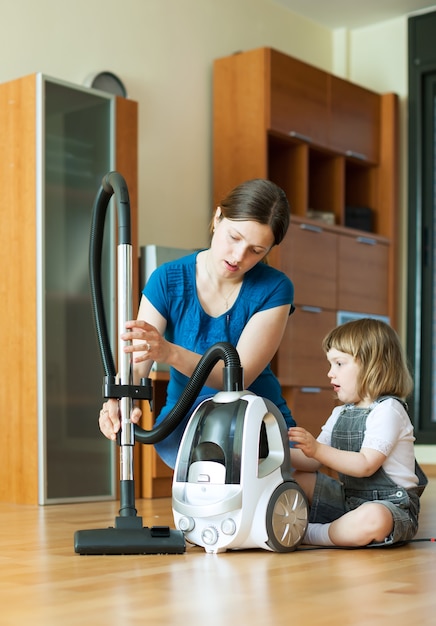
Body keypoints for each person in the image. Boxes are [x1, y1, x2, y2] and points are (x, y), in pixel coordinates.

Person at [99, 178, 296, 468]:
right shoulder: (167, 279)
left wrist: (168, 353)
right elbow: (136, 363)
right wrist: (117, 401)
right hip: (184, 421)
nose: (238, 256)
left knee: (299, 472)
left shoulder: (275, 287)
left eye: (256, 251)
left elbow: (236, 377)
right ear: (217, 218)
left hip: (253, 418)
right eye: (234, 237)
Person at [288, 318, 428, 548]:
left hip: (391, 508)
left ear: (373, 365)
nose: (330, 373)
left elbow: (365, 464)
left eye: (339, 364)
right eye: (330, 364)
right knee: (299, 479)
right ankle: (339, 528)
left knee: (374, 518)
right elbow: (311, 462)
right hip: (349, 500)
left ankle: (310, 533)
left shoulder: (389, 410)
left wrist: (318, 449)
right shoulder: (340, 413)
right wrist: (274, 454)